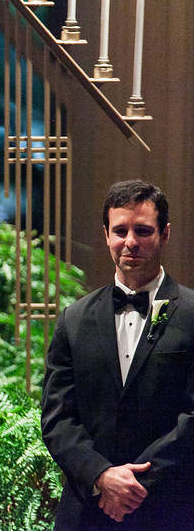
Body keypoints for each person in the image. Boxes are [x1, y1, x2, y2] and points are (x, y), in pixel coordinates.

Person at [41, 180, 194, 530]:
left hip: (170, 508)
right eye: (120, 230)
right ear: (105, 234)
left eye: (143, 231)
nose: (131, 242)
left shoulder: (192, 314)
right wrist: (101, 476)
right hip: (86, 511)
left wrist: (136, 485)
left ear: (165, 234)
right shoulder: (73, 319)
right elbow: (56, 417)